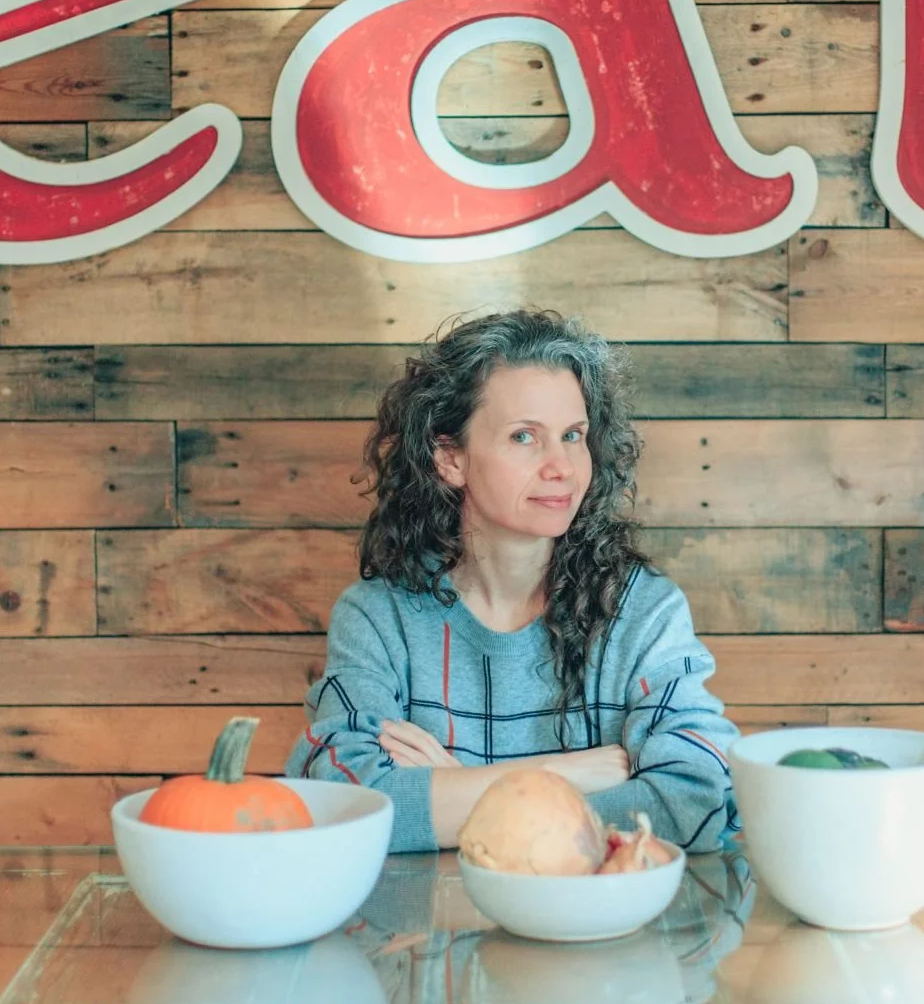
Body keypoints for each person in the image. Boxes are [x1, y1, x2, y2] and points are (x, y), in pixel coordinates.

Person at [284, 309, 740, 855]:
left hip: (599, 933)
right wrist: (578, 773)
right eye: (525, 436)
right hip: (430, 935)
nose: (563, 467)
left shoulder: (644, 611)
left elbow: (699, 800)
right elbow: (342, 803)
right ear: (449, 458)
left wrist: (454, 791)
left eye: (573, 435)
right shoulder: (379, 618)